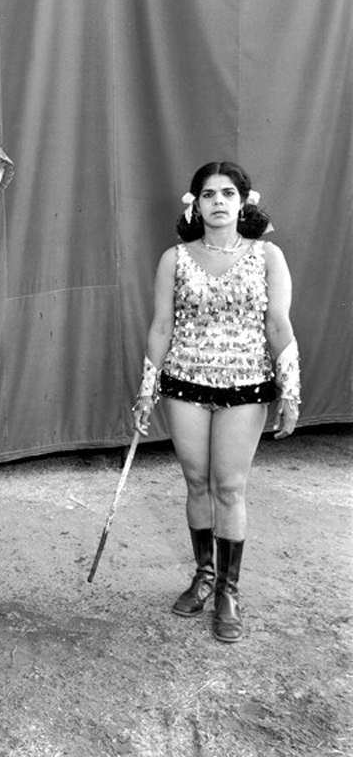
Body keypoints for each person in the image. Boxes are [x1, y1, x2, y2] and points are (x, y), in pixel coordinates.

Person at [132, 161, 300, 644]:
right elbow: (161, 327)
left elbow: (278, 327)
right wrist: (147, 389)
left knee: (229, 487)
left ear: (244, 201)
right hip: (185, 382)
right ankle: (203, 575)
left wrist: (290, 391)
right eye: (209, 194)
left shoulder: (268, 256)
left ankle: (229, 589)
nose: (219, 201)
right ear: (195, 203)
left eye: (228, 193)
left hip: (245, 385)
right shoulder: (175, 258)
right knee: (196, 481)